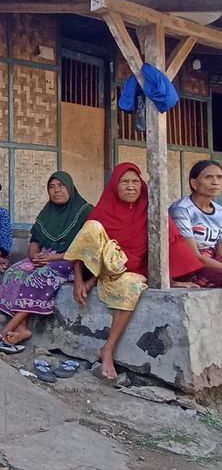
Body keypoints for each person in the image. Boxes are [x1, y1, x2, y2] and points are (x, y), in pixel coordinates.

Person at [64, 163, 202, 380]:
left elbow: (170, 244)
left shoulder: (151, 211)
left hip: (134, 271)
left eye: (135, 182)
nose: (130, 187)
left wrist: (172, 280)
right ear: (115, 187)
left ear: (142, 185)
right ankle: (94, 282)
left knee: (133, 286)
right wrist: (80, 281)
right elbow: (83, 247)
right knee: (91, 228)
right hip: (104, 270)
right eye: (124, 182)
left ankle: (108, 349)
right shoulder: (103, 210)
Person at [0, 172, 93, 345]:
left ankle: (9, 327)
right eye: (51, 187)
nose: (56, 191)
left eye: (61, 186)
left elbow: (86, 247)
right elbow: (35, 240)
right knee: (13, 273)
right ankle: (23, 328)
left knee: (40, 277)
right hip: (45, 256)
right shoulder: (47, 212)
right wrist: (33, 255)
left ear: (70, 187)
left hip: (72, 260)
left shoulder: (85, 211)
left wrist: (54, 258)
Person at [169, 160, 222, 287]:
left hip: (212, 261)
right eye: (209, 177)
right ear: (194, 183)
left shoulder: (219, 211)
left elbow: (220, 251)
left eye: (219, 177)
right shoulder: (182, 209)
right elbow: (194, 256)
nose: (216, 182)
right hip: (189, 265)